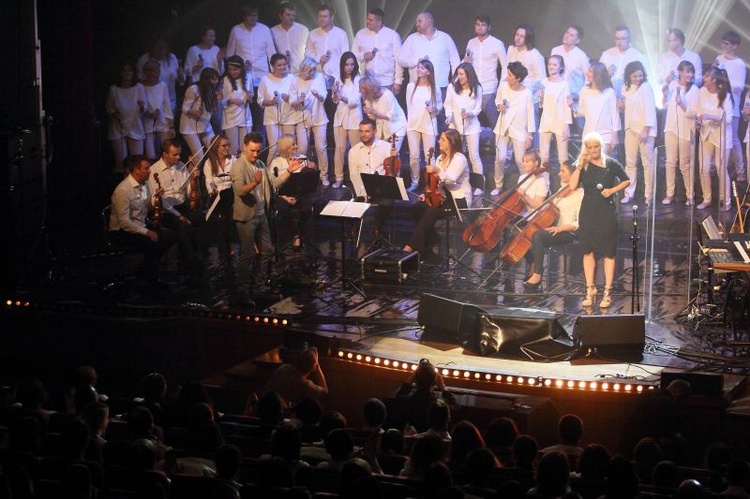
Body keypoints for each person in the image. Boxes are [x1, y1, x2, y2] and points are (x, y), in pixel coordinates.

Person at [568, 132, 630, 309]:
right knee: (587, 251)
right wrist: (579, 167)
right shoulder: (584, 165)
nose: (593, 150)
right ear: (586, 149)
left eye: (596, 146)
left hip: (607, 213)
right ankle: (590, 288)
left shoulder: (611, 164)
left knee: (608, 252)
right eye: (590, 147)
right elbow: (572, 186)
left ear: (601, 146)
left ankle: (608, 292)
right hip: (588, 212)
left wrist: (612, 190)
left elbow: (626, 180)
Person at [403, 129, 471, 261]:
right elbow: (436, 183)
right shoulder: (440, 158)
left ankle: (410, 246)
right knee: (417, 208)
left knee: (431, 212)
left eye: (443, 139)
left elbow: (450, 180)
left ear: (451, 142)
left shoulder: (459, 159)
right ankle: (431, 240)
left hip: (458, 200)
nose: (439, 141)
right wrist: (427, 195)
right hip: (442, 197)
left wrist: (437, 170)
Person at [108, 154, 175, 284]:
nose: (150, 170)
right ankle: (151, 279)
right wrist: (148, 232)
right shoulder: (123, 190)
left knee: (171, 236)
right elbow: (124, 221)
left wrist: (155, 198)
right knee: (152, 243)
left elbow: (143, 208)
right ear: (136, 171)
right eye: (146, 168)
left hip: (139, 225)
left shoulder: (142, 186)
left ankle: (144, 269)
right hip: (121, 231)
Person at [523, 160, 583, 291]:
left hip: (567, 232)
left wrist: (560, 228)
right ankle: (533, 262)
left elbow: (578, 223)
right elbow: (550, 209)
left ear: (574, 175)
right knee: (525, 231)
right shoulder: (562, 190)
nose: (559, 174)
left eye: (563, 171)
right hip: (554, 228)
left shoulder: (580, 194)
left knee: (538, 236)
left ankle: (538, 273)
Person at [147, 138, 204, 277]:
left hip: (181, 206)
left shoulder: (182, 166)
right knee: (181, 225)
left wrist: (193, 179)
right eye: (175, 154)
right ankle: (193, 264)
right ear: (165, 154)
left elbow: (190, 194)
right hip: (165, 210)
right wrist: (179, 215)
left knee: (203, 218)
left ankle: (200, 256)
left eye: (179, 154)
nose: (179, 157)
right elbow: (159, 200)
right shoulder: (153, 170)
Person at [231, 132, 274, 308]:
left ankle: (258, 288)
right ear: (244, 147)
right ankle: (242, 292)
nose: (255, 155)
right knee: (247, 255)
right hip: (246, 217)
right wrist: (255, 183)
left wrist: (289, 171)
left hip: (260, 214)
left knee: (267, 251)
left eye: (258, 151)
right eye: (252, 151)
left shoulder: (261, 164)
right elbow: (239, 191)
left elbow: (274, 183)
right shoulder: (238, 166)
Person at [226, 3, 276, 134]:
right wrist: (238, 69)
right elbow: (230, 54)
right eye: (250, 15)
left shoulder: (264, 29)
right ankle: (247, 141)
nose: (253, 18)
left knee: (261, 110)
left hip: (261, 77)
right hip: (242, 78)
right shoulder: (236, 30)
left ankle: (261, 141)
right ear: (244, 16)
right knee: (245, 110)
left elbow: (271, 52)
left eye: (256, 15)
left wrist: (273, 74)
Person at [690, 65, 733, 211]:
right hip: (706, 134)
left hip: (721, 136)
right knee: (704, 168)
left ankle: (725, 200)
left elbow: (728, 118)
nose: (704, 78)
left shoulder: (724, 94)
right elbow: (698, 111)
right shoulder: (702, 92)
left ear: (714, 80)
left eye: (707, 76)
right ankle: (707, 198)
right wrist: (698, 121)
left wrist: (711, 117)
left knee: (721, 168)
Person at [493, 61, 535, 197]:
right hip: (503, 127)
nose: (507, 77)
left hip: (520, 129)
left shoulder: (527, 93)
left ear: (518, 78)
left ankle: (526, 185)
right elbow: (497, 100)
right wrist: (499, 106)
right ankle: (498, 185)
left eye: (510, 75)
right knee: (500, 157)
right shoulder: (503, 87)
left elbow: (530, 113)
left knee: (520, 160)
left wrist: (530, 135)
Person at [398, 10, 461, 99]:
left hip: (440, 86)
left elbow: (455, 61)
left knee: (440, 112)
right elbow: (400, 59)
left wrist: (456, 81)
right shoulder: (411, 39)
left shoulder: (445, 38)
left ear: (429, 22)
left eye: (419, 21)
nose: (416, 24)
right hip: (417, 87)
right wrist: (415, 61)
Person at [619, 61, 657, 205]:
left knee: (647, 163)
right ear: (629, 76)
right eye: (635, 76)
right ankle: (629, 193)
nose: (638, 79)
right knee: (630, 162)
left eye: (640, 76)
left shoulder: (646, 88)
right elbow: (627, 109)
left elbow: (649, 110)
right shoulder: (626, 88)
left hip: (644, 130)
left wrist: (645, 130)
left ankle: (649, 195)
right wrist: (621, 107)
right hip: (630, 128)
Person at [662, 61, 699, 206]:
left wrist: (682, 103)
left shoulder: (694, 89)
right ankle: (669, 194)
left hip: (686, 131)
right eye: (687, 71)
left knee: (685, 164)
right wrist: (665, 94)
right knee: (670, 162)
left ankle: (690, 195)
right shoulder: (673, 86)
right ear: (679, 72)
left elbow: (694, 112)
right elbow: (665, 105)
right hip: (670, 129)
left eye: (691, 72)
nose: (689, 75)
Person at [444, 62, 484, 195]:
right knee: (455, 155)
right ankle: (452, 182)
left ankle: (479, 186)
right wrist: (449, 116)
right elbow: (448, 105)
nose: (459, 77)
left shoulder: (477, 88)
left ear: (468, 75)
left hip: (472, 126)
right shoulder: (452, 87)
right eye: (457, 74)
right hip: (455, 126)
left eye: (461, 74)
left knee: (474, 155)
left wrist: (470, 114)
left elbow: (478, 108)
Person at [348, 119, 393, 236]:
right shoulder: (353, 151)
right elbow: (354, 174)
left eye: (367, 131)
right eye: (361, 131)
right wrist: (362, 191)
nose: (363, 134)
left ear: (375, 131)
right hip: (363, 188)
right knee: (350, 201)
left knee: (387, 202)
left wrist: (394, 159)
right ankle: (355, 232)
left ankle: (378, 228)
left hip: (382, 188)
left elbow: (392, 172)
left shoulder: (386, 147)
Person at [290, 57, 330, 186]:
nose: (313, 72)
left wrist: (318, 95)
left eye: (314, 70)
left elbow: (324, 96)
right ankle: (303, 175)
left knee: (321, 147)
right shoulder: (295, 80)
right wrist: (299, 101)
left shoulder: (319, 77)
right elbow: (292, 102)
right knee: (302, 148)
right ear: (304, 70)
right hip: (302, 118)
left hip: (319, 118)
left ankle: (324, 175)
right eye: (310, 70)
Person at [268, 134, 312, 249]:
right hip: (283, 195)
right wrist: (285, 197)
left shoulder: (302, 158)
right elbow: (274, 184)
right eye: (293, 144)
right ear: (286, 147)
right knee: (283, 208)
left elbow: (308, 181)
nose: (296, 147)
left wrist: (311, 169)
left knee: (307, 207)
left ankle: (302, 233)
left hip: (300, 193)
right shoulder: (276, 162)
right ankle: (295, 234)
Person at [714, 30, 747, 182]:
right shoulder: (719, 58)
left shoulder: (739, 64)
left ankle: (740, 170)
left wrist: (723, 80)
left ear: (735, 46)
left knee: (733, 138)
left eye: (727, 44)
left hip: (731, 105)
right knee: (718, 137)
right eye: (722, 42)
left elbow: (739, 86)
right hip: (716, 103)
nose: (723, 46)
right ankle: (721, 167)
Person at [464, 15, 507, 128]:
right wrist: (464, 60)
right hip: (472, 88)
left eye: (483, 25)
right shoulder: (471, 43)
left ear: (489, 27)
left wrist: (501, 86)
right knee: (469, 121)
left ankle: (501, 145)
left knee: (495, 122)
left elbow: (505, 66)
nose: (480, 27)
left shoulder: (497, 44)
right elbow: (465, 64)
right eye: (478, 24)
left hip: (489, 88)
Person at [405, 59, 442, 191]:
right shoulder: (411, 86)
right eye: (418, 67)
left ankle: (432, 183)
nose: (419, 70)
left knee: (429, 155)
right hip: (413, 125)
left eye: (422, 68)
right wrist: (409, 123)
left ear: (428, 71)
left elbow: (439, 106)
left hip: (428, 123)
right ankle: (415, 182)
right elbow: (409, 105)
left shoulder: (434, 87)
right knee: (414, 155)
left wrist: (434, 109)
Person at [352, 8, 404, 94]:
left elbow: (398, 60)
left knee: (386, 107)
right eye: (367, 19)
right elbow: (352, 55)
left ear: (379, 22)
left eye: (371, 20)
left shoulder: (392, 35)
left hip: (387, 82)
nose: (367, 22)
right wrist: (363, 56)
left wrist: (398, 82)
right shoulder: (360, 34)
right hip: (367, 81)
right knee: (367, 107)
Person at [106, 62, 146, 172]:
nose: (127, 73)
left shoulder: (139, 88)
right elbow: (109, 108)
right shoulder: (114, 89)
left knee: (137, 162)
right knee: (121, 163)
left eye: (130, 70)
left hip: (135, 126)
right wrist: (114, 112)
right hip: (118, 127)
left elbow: (144, 108)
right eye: (125, 70)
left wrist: (142, 106)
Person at [331, 52, 363, 189]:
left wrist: (341, 97)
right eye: (346, 64)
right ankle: (339, 177)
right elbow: (334, 100)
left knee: (356, 150)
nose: (349, 67)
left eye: (351, 64)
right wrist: (334, 92)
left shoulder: (359, 79)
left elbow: (355, 101)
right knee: (339, 149)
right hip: (340, 119)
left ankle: (357, 179)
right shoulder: (338, 78)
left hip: (354, 118)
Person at [538, 55, 572, 178]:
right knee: (544, 155)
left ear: (560, 67)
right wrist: (540, 97)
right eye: (550, 64)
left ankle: (565, 183)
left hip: (560, 121)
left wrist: (567, 125)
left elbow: (567, 105)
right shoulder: (544, 82)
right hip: (546, 120)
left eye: (555, 64)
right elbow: (542, 106)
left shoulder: (564, 84)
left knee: (562, 156)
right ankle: (544, 183)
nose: (551, 67)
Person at [575, 61, 620, 154]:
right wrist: (571, 105)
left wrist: (614, 136)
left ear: (598, 74)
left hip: (605, 135)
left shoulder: (609, 92)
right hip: (588, 134)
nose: (587, 73)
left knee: (600, 165)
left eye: (590, 71)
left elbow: (614, 115)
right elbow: (581, 111)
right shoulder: (584, 90)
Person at [204, 135, 237, 260]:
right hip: (217, 196)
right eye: (224, 145)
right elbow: (209, 182)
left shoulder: (233, 159)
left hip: (232, 194)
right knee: (223, 215)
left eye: (228, 145)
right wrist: (213, 190)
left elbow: (237, 178)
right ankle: (225, 247)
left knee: (228, 211)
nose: (227, 147)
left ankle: (228, 245)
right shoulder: (209, 163)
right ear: (216, 147)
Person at [257, 53, 295, 161]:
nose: (282, 67)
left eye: (284, 64)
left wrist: (289, 98)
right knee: (274, 149)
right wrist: (271, 102)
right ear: (273, 66)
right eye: (279, 65)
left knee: (288, 148)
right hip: (271, 118)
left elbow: (296, 96)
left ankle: (289, 173)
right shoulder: (265, 79)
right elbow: (260, 100)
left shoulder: (291, 78)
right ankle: (270, 175)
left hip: (289, 117)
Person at [263, 346, 328, 408]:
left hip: (263, 408)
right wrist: (318, 367)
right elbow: (325, 392)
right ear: (313, 367)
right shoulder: (305, 385)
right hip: (279, 415)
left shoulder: (284, 368)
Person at [305, 4, 350, 91]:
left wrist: (341, 75)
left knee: (335, 103)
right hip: (318, 77)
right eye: (320, 16)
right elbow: (308, 54)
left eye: (325, 16)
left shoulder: (341, 34)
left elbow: (345, 56)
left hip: (337, 77)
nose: (322, 19)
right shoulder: (312, 34)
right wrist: (319, 59)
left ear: (332, 17)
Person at [506, 24, 546, 115]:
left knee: (530, 127)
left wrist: (526, 90)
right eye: (517, 35)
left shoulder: (535, 54)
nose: (518, 38)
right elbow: (506, 69)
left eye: (522, 36)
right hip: (512, 96)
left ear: (528, 39)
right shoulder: (511, 49)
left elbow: (541, 78)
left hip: (529, 97)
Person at [360, 76, 407, 152]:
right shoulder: (368, 97)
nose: (362, 93)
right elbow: (372, 117)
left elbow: (391, 116)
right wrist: (371, 114)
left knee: (392, 154)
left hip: (396, 128)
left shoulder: (388, 95)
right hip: (382, 130)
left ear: (370, 89)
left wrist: (374, 112)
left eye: (364, 91)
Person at [136, 39, 185, 112]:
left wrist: (181, 75)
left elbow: (181, 81)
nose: (160, 56)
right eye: (158, 54)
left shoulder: (172, 58)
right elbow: (139, 80)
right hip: (150, 102)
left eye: (163, 54)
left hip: (169, 101)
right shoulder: (144, 59)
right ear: (152, 51)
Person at [598, 25, 648, 96]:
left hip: (629, 96)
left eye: (623, 38)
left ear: (629, 39)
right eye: (617, 39)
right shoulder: (606, 54)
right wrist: (606, 73)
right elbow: (597, 75)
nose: (620, 41)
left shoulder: (637, 56)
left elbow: (644, 79)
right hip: (608, 95)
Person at [179, 67, 219, 155]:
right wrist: (193, 112)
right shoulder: (194, 89)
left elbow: (212, 110)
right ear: (206, 79)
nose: (216, 81)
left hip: (205, 125)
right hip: (189, 127)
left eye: (217, 79)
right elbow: (185, 108)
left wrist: (217, 101)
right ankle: (192, 169)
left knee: (215, 151)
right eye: (214, 79)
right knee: (198, 156)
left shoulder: (213, 90)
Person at [551, 25, 589, 116]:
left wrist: (578, 95)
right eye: (567, 33)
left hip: (574, 98)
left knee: (580, 126)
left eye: (571, 35)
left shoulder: (581, 56)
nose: (567, 36)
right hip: (557, 95)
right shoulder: (556, 50)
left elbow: (588, 78)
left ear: (577, 40)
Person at [140, 60, 174, 161]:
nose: (157, 74)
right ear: (147, 72)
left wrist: (171, 127)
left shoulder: (162, 85)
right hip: (147, 125)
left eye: (158, 71)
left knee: (167, 152)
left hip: (162, 124)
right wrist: (148, 113)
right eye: (155, 71)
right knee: (151, 155)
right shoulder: (140, 86)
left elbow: (167, 107)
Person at [220, 56, 253, 156]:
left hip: (245, 117)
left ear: (241, 68)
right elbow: (220, 101)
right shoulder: (225, 80)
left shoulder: (248, 77)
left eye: (235, 69)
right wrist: (231, 100)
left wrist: (249, 97)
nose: (232, 72)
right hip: (230, 118)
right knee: (233, 149)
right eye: (230, 69)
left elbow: (251, 98)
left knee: (245, 149)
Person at [271, 2, 309, 75]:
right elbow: (271, 53)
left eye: (293, 15)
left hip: (300, 73)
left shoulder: (303, 30)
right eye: (288, 15)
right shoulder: (273, 31)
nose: (291, 18)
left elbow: (309, 51)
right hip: (281, 73)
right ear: (280, 15)